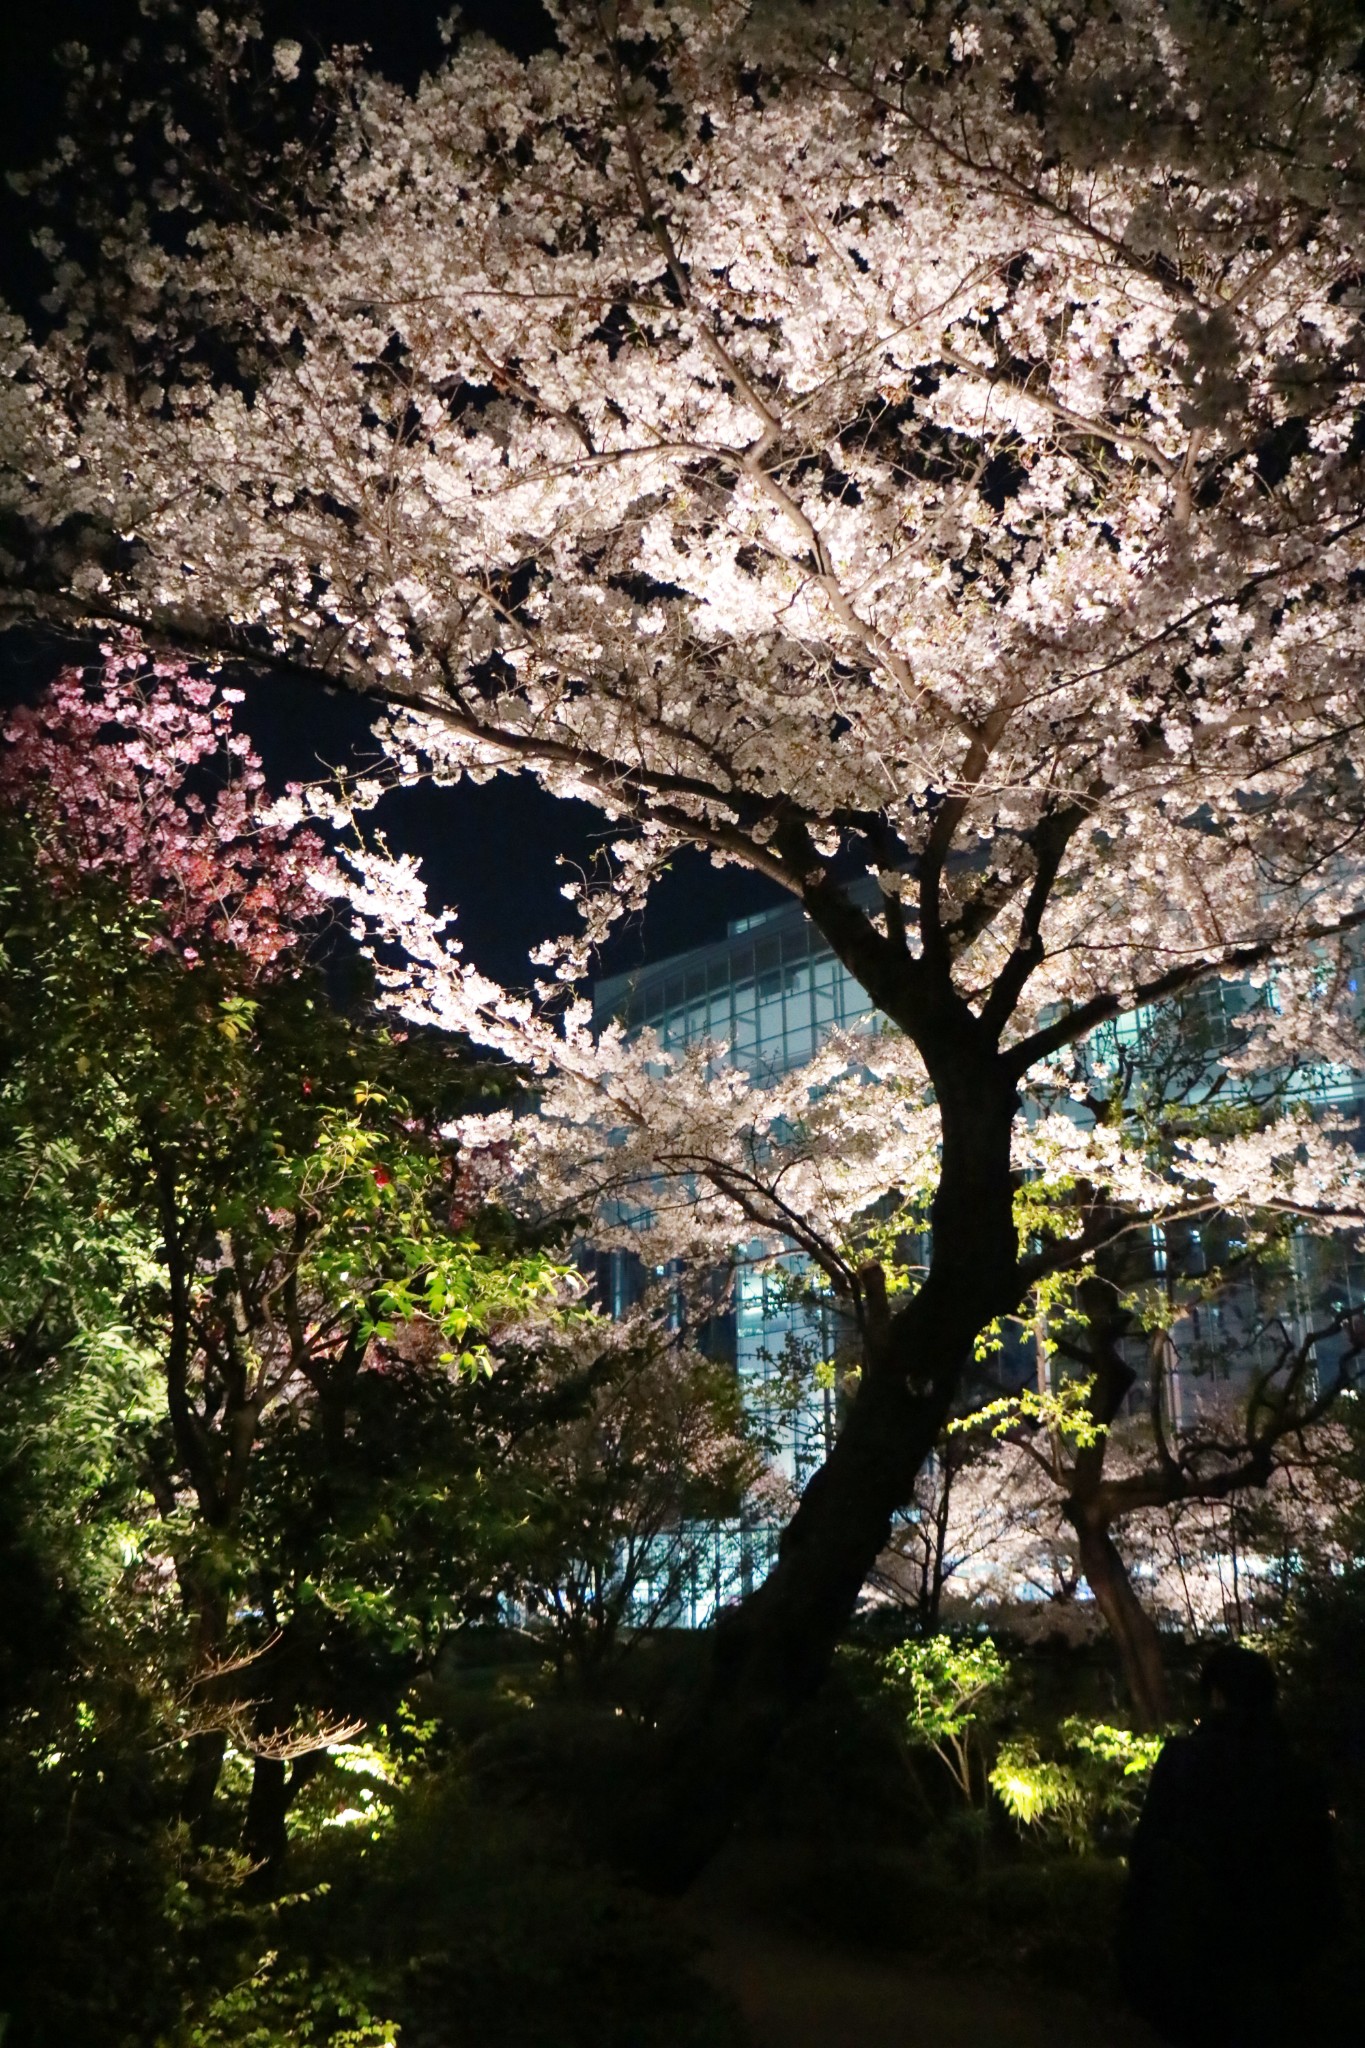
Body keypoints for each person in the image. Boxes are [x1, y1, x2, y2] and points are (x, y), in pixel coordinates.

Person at [1117, 1644, 1342, 2045]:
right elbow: (1319, 1870)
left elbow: (1146, 1850)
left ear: (1216, 1695)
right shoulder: (1299, 1773)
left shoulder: (1184, 1760)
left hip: (1192, 1948)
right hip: (1274, 1953)